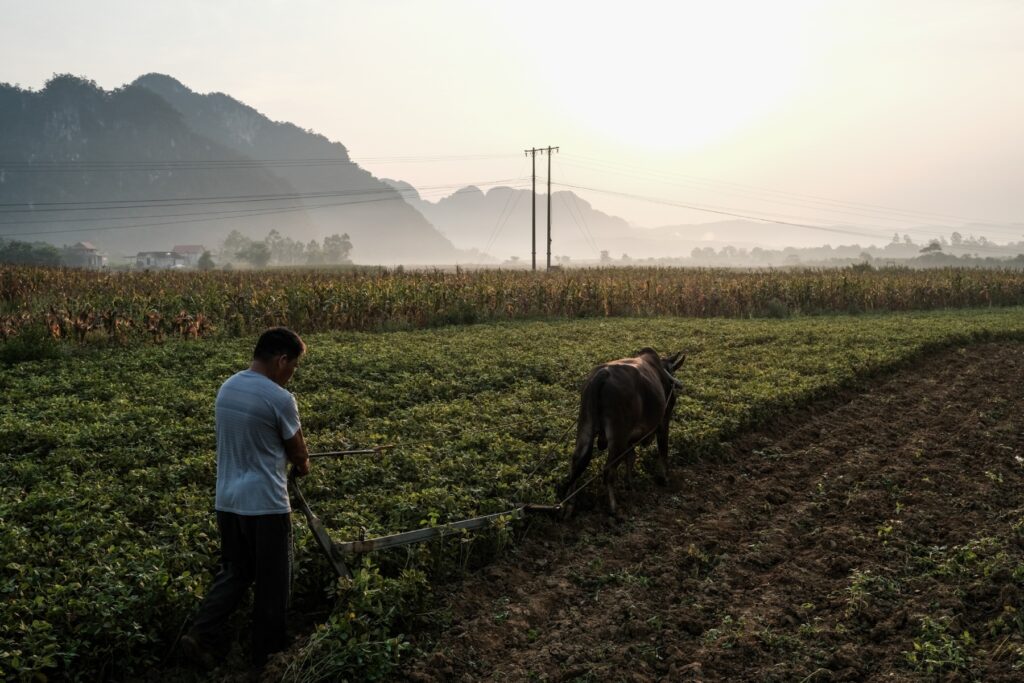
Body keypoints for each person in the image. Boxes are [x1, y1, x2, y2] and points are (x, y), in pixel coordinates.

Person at [182, 327, 311, 669]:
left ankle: (201, 633)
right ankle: (266, 661)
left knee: (236, 572)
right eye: (293, 366)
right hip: (265, 506)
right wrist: (302, 465)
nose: (292, 374)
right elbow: (298, 452)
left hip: (227, 501)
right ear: (281, 360)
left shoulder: (227, 388)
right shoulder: (280, 398)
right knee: (273, 585)